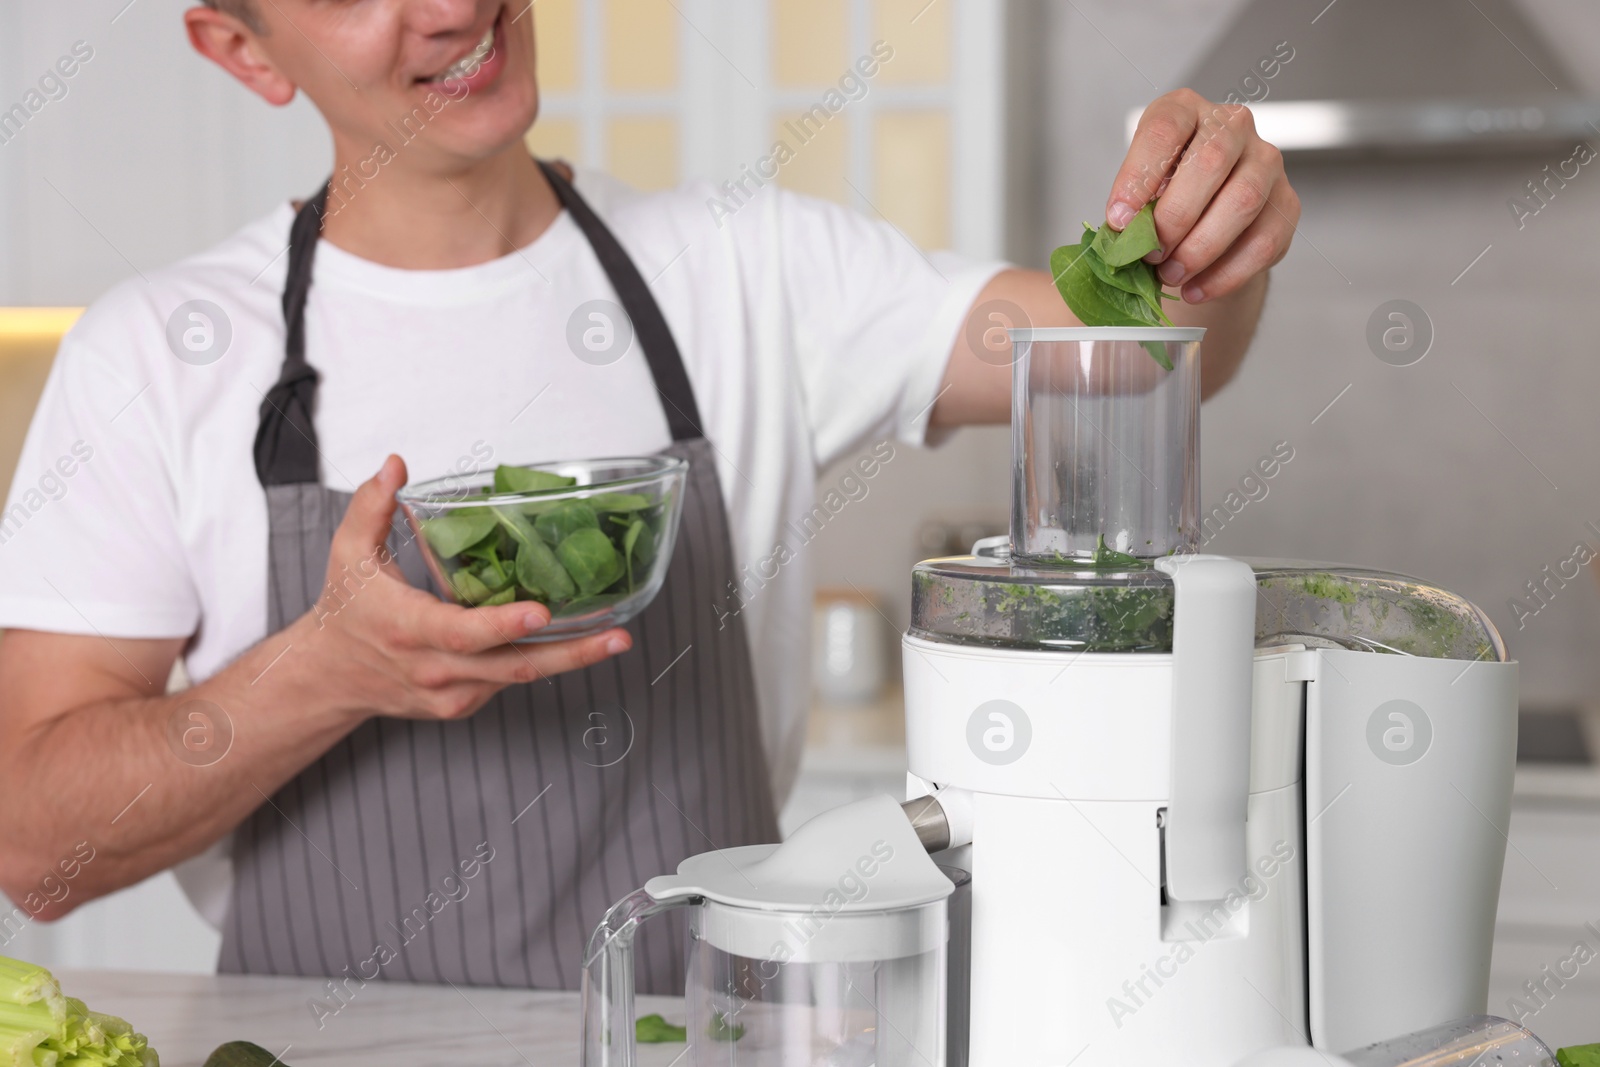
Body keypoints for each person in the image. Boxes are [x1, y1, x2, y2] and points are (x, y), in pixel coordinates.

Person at [0, 0, 1300, 991]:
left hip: (706, 1044)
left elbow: (1126, 365)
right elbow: (36, 846)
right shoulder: (158, 353)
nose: (451, 8)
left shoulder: (750, 268)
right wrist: (330, 670)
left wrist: (1201, 245)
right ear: (243, 50)